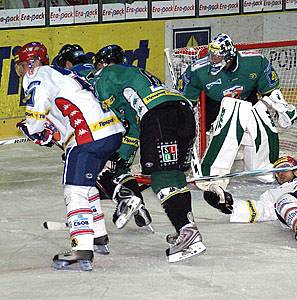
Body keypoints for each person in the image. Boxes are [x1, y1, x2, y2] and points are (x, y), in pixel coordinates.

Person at [14, 42, 126, 271]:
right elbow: (62, 118)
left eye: (23, 65)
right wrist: (49, 134)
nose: (22, 71)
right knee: (86, 186)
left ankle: (81, 248)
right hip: (109, 131)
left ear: (32, 62)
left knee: (74, 190)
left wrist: (32, 129)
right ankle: (98, 236)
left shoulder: (40, 74)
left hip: (88, 136)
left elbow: (36, 116)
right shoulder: (62, 75)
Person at [93, 53, 206, 263]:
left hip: (160, 116)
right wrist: (122, 157)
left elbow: (107, 116)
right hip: (183, 111)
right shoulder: (135, 77)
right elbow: (135, 129)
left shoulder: (105, 74)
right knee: (173, 174)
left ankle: (188, 234)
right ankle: (186, 227)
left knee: (161, 176)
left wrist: (105, 153)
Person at [179, 33, 297, 208]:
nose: (213, 59)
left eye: (218, 55)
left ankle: (264, 167)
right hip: (215, 114)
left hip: (247, 106)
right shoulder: (198, 70)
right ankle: (213, 174)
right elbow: (186, 102)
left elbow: (270, 91)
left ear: (229, 55)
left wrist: (282, 107)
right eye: (211, 55)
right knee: (234, 106)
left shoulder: (255, 62)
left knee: (260, 111)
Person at [54, 43, 153, 230]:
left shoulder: (68, 77)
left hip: (99, 129)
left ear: (67, 63)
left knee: (92, 170)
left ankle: (119, 200)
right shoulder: (101, 70)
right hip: (126, 126)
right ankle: (137, 206)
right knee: (119, 167)